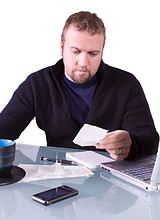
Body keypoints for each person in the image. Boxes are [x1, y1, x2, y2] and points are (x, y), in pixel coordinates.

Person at [0, 11, 159, 160]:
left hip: (112, 182)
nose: (83, 63)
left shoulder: (126, 84)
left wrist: (131, 144)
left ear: (102, 52)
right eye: (75, 51)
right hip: (57, 176)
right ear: (62, 49)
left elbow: (150, 139)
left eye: (93, 54)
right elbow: (4, 129)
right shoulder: (37, 84)